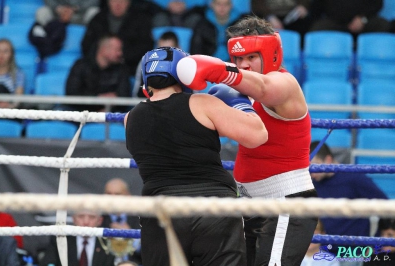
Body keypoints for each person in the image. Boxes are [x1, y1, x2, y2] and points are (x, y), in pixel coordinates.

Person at [176, 15, 318, 266]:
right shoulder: (239, 94)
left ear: (271, 54)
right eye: (239, 59)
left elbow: (263, 88)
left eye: (251, 57)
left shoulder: (285, 84)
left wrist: (221, 71)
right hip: (249, 203)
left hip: (285, 204)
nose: (244, 65)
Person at [125, 46, 268, 266]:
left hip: (161, 210)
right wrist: (240, 103)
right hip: (214, 208)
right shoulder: (202, 104)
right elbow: (257, 135)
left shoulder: (130, 118)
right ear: (182, 72)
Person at [310, 141, 388, 266]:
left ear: (328, 160)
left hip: (351, 254)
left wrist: (378, 239)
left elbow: (385, 205)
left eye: (315, 166)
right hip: (322, 254)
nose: (312, 173)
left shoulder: (354, 178)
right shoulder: (312, 183)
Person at [81, 0, 154, 76]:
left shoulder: (141, 20)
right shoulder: (98, 19)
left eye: (122, 1)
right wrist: (102, 58)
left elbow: (145, 47)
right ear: (108, 2)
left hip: (129, 70)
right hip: (97, 69)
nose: (118, 4)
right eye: (114, 1)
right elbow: (87, 45)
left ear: (128, 3)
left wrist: (120, 56)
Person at [63, 35, 131, 112]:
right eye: (117, 50)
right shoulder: (80, 66)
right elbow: (72, 93)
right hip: (78, 112)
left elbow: (124, 97)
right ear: (104, 49)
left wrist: (108, 109)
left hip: (110, 113)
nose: (120, 53)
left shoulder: (122, 69)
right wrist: (98, 98)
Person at [39, 209, 115, 266]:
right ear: (74, 219)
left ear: (100, 220)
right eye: (81, 216)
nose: (86, 222)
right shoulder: (60, 239)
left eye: (92, 217)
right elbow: (48, 263)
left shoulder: (109, 242)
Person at [309, 0, 390, 42]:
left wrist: (362, 19)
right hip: (335, 23)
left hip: (364, 22)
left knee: (383, 26)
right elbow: (317, 7)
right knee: (317, 29)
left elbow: (377, 4)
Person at [132, 31, 180, 97]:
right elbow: (138, 93)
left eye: (168, 52)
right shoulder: (146, 62)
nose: (164, 56)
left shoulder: (186, 63)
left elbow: (192, 94)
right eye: (161, 51)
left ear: (179, 48)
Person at [0, 39, 25, 109]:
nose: (1, 55)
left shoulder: (19, 74)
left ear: (11, 54)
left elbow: (18, 99)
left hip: (11, 110)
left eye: (5, 51)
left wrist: (9, 107)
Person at [35, 0, 100, 26]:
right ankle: (44, 42)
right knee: (42, 12)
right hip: (58, 14)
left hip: (80, 15)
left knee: (94, 12)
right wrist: (57, 8)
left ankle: (93, 42)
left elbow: (94, 1)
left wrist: (76, 8)